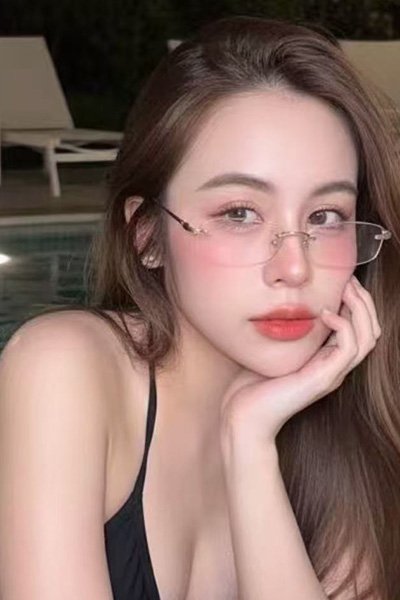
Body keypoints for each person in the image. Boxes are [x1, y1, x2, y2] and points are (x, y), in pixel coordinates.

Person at [0, 15, 399, 600]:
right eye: (240, 213)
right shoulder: (64, 368)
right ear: (147, 235)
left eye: (325, 216)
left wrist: (249, 445)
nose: (294, 268)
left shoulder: (348, 427)